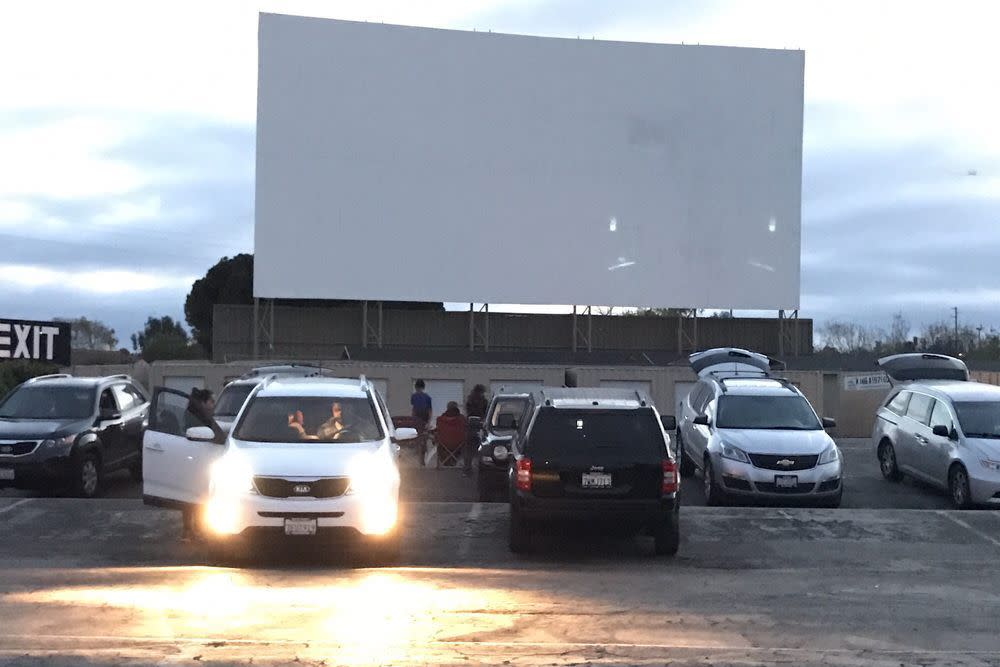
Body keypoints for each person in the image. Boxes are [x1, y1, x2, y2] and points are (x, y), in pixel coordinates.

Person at [181, 388, 223, 543]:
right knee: (192, 497)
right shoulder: (199, 417)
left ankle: (194, 529)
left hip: (200, 460)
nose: (213, 405)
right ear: (204, 402)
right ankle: (190, 529)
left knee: (197, 497)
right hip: (195, 460)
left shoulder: (198, 414)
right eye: (211, 401)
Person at [464, 384, 489, 475]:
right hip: (480, 424)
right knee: (481, 447)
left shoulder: (470, 400)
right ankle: (481, 468)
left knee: (468, 448)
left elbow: (468, 411)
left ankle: (467, 469)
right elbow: (486, 413)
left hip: (470, 424)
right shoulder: (484, 401)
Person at [435, 402, 467, 467]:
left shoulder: (440, 420)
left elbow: (438, 431)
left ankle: (447, 461)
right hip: (459, 444)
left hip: (444, 444)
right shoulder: (462, 419)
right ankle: (456, 461)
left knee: (439, 444)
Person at [410, 380, 433, 466]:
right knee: (423, 437)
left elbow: (414, 409)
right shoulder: (427, 397)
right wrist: (429, 421)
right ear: (423, 387)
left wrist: (412, 418)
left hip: (418, 418)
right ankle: (422, 455)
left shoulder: (414, 396)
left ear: (416, 387)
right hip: (423, 418)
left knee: (419, 436)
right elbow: (430, 411)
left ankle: (420, 454)